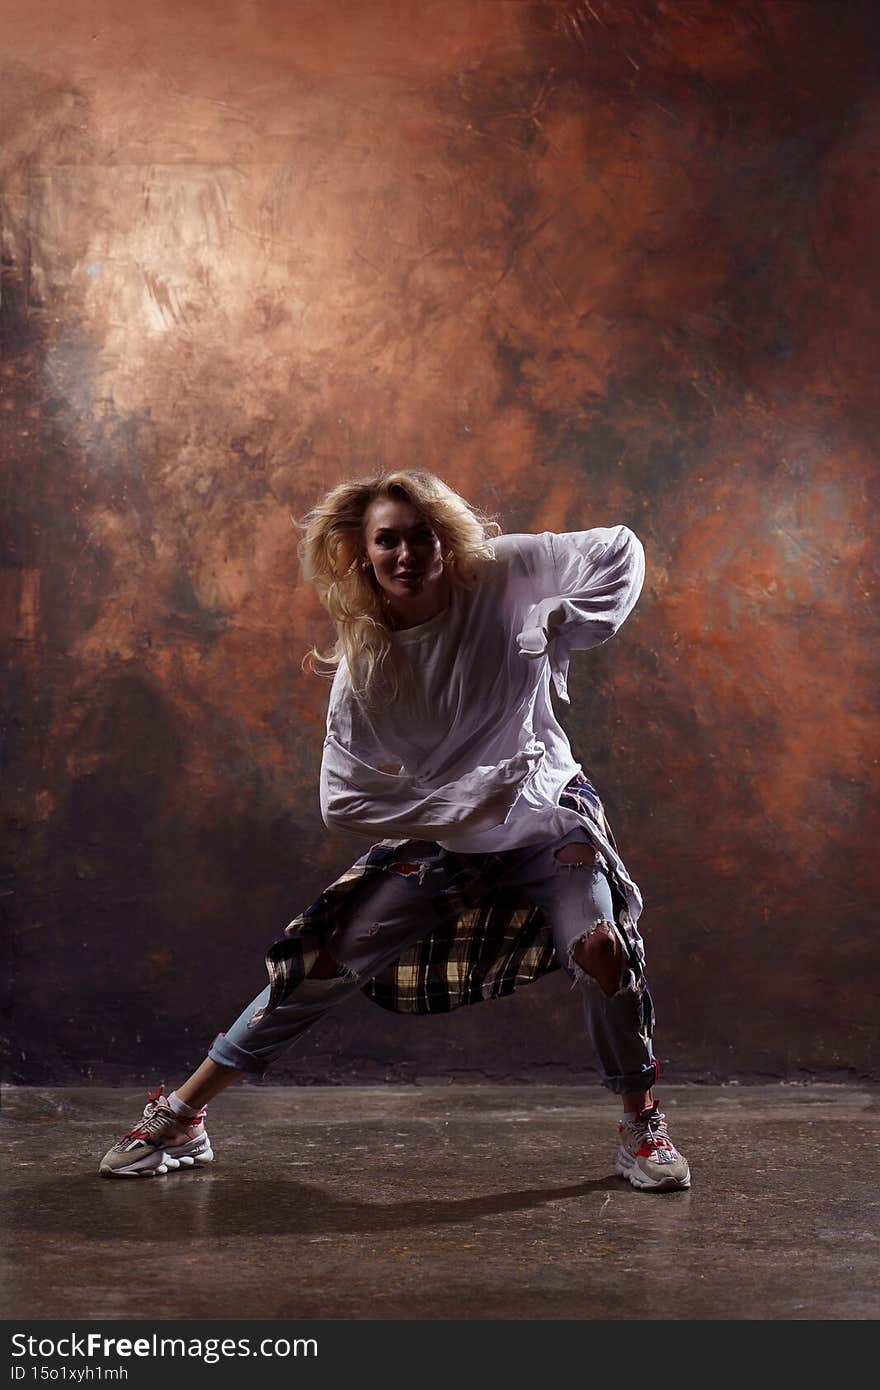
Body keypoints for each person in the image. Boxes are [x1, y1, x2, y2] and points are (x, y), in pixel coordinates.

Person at [99, 470, 690, 1192]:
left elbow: (620, 551)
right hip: (450, 841)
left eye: (421, 536)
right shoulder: (369, 662)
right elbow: (343, 801)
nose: (406, 554)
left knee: (603, 947)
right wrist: (464, 804)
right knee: (322, 961)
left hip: (551, 820)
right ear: (362, 552)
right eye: (388, 541)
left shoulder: (505, 572)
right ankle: (184, 1114)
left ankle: (640, 1125)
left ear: (446, 538)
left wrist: (562, 618)